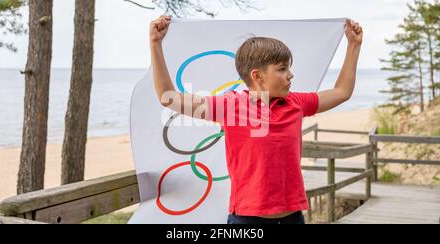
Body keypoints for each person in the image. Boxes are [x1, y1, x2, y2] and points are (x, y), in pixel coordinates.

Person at [149, 15, 363, 224]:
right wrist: (155, 44)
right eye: (282, 69)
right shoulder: (230, 106)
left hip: (293, 218)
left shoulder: (295, 102)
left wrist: (353, 45)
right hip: (246, 221)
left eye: (288, 68)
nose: (290, 75)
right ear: (257, 76)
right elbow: (168, 97)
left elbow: (342, 91)